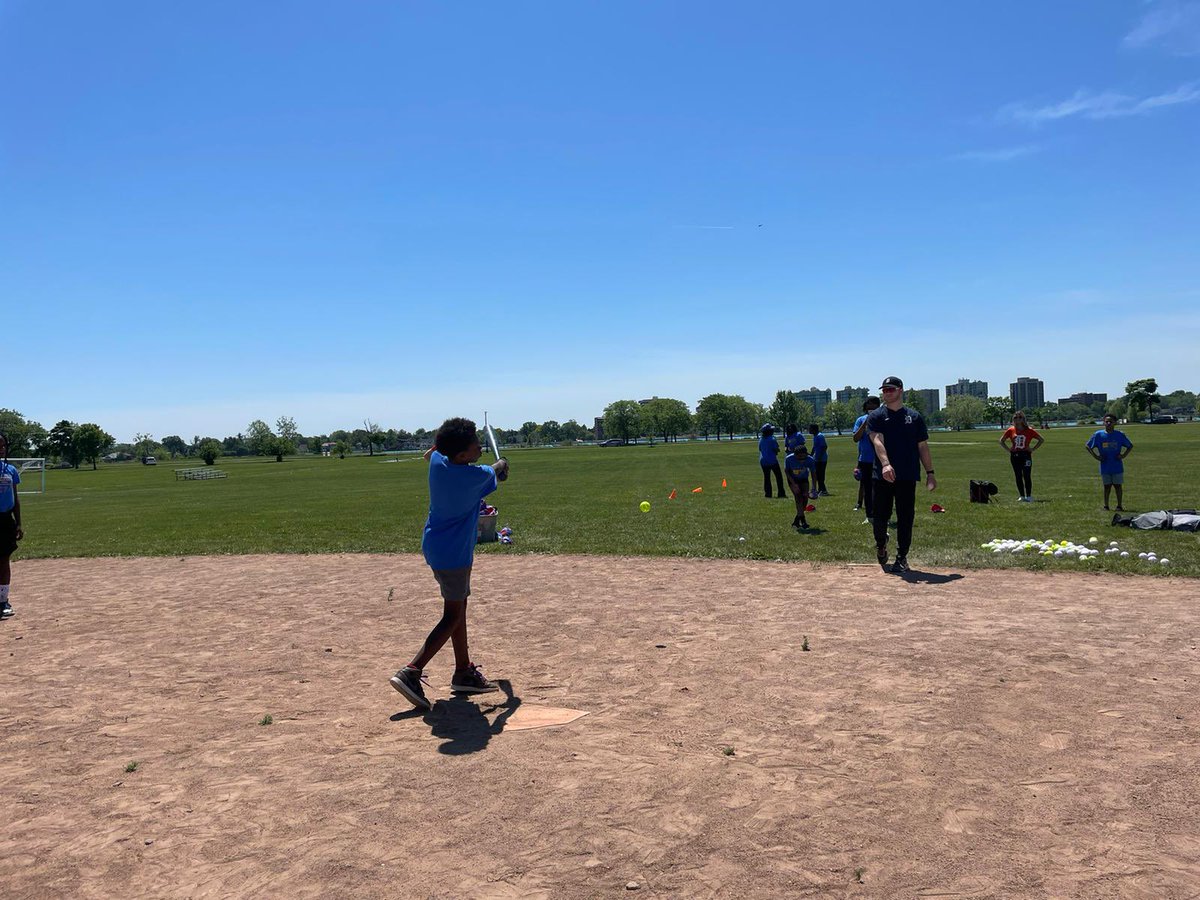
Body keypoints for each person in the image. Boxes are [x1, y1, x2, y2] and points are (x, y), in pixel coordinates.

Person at [390, 417, 509, 710]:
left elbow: (432, 453)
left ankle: (463, 671)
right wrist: (502, 464)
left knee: (458, 607)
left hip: (436, 546)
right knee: (452, 615)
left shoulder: (439, 463)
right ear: (462, 456)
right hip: (455, 553)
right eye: (474, 445)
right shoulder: (473, 476)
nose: (480, 446)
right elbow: (495, 473)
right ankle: (411, 671)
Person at [868, 376, 936, 574]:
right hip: (882, 475)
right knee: (880, 518)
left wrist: (930, 473)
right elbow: (877, 441)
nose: (886, 393)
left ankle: (902, 557)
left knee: (906, 517)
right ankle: (881, 544)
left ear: (900, 390)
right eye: (884, 390)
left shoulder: (914, 417)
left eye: (890, 389)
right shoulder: (877, 416)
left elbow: (922, 446)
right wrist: (886, 464)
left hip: (907, 474)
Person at [1086, 414, 1133, 511]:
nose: (1108, 423)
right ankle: (1106, 506)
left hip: (1117, 465)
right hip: (1105, 466)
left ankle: (1119, 506)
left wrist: (1123, 455)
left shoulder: (1119, 435)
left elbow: (1130, 446)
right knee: (1106, 487)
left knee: (1118, 486)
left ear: (1115, 423)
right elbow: (1088, 446)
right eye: (1106, 421)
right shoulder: (1098, 435)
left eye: (1110, 421)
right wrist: (1096, 456)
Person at [999, 411, 1044, 502]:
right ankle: (1022, 496)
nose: (1017, 419)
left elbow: (1041, 440)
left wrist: (1032, 449)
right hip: (1015, 455)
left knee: (1027, 475)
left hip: (1026, 455)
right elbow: (1001, 440)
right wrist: (1009, 450)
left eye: (1019, 417)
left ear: (1023, 419)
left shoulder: (1029, 430)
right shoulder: (1011, 430)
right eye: (1015, 418)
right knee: (1018, 475)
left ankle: (1029, 496)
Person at [0, 435, 21, 619]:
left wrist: (19, 523)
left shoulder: (11, 470)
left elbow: (15, 499)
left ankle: (3, 601)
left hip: (6, 520)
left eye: (3, 446)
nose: (1, 449)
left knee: (4, 560)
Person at [852, 396, 881, 522]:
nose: (872, 408)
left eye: (874, 406)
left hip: (881, 458)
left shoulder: (882, 419)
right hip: (866, 460)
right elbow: (855, 438)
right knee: (867, 488)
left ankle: (881, 514)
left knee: (881, 488)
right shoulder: (860, 420)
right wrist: (864, 425)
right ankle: (869, 515)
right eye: (869, 406)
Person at [784, 444, 817, 530]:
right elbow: (787, 471)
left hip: (803, 479)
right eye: (799, 457)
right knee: (798, 498)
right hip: (793, 480)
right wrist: (794, 484)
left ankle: (796, 521)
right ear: (795, 455)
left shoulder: (810, 460)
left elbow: (813, 474)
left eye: (804, 457)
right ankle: (803, 521)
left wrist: (814, 488)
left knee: (805, 498)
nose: (802, 460)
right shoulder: (789, 459)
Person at [758, 424, 786, 499]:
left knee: (766, 477)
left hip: (763, 460)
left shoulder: (761, 439)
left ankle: (768, 494)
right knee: (778, 476)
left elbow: (760, 449)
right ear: (769, 431)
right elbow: (776, 449)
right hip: (772, 460)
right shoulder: (772, 439)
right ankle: (781, 493)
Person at [808, 423, 829, 496]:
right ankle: (820, 490)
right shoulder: (815, 436)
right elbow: (814, 447)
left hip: (822, 459)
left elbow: (824, 447)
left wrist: (819, 457)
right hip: (816, 459)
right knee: (817, 475)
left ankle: (823, 491)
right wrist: (811, 455)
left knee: (820, 475)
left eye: (810, 429)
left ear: (814, 429)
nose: (809, 430)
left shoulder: (820, 436)